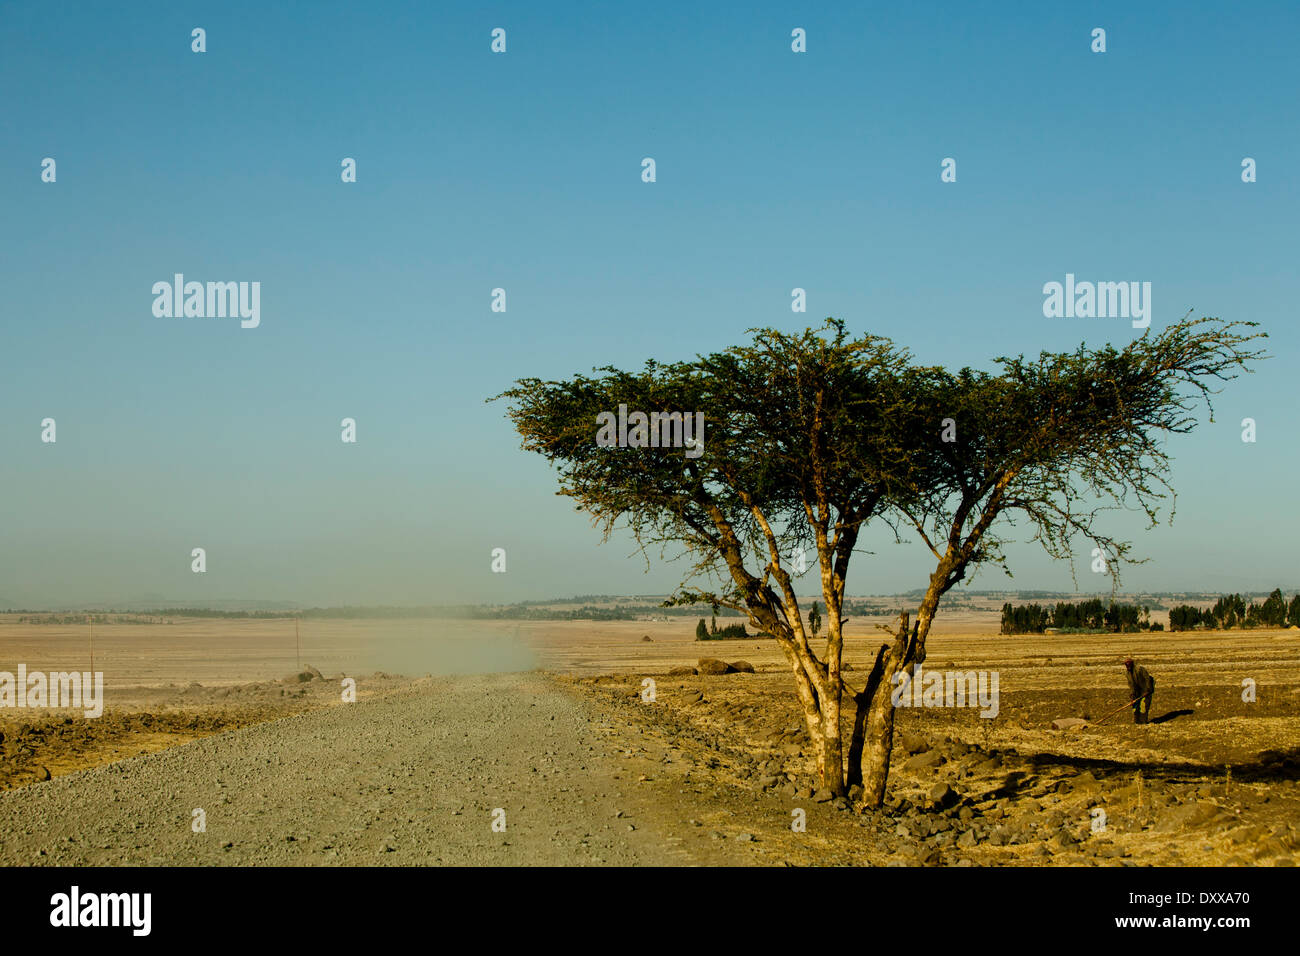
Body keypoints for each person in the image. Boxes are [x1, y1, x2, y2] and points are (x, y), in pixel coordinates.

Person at [1124, 658, 1154, 724]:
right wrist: (1132, 695)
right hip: (1137, 690)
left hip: (1146, 689)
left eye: (1129, 663)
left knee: (1143, 706)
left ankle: (1143, 722)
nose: (1127, 665)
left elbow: (1147, 679)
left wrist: (1148, 690)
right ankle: (1137, 722)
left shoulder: (1139, 669)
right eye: (1126, 664)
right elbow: (1131, 684)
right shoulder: (1127, 673)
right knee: (1135, 706)